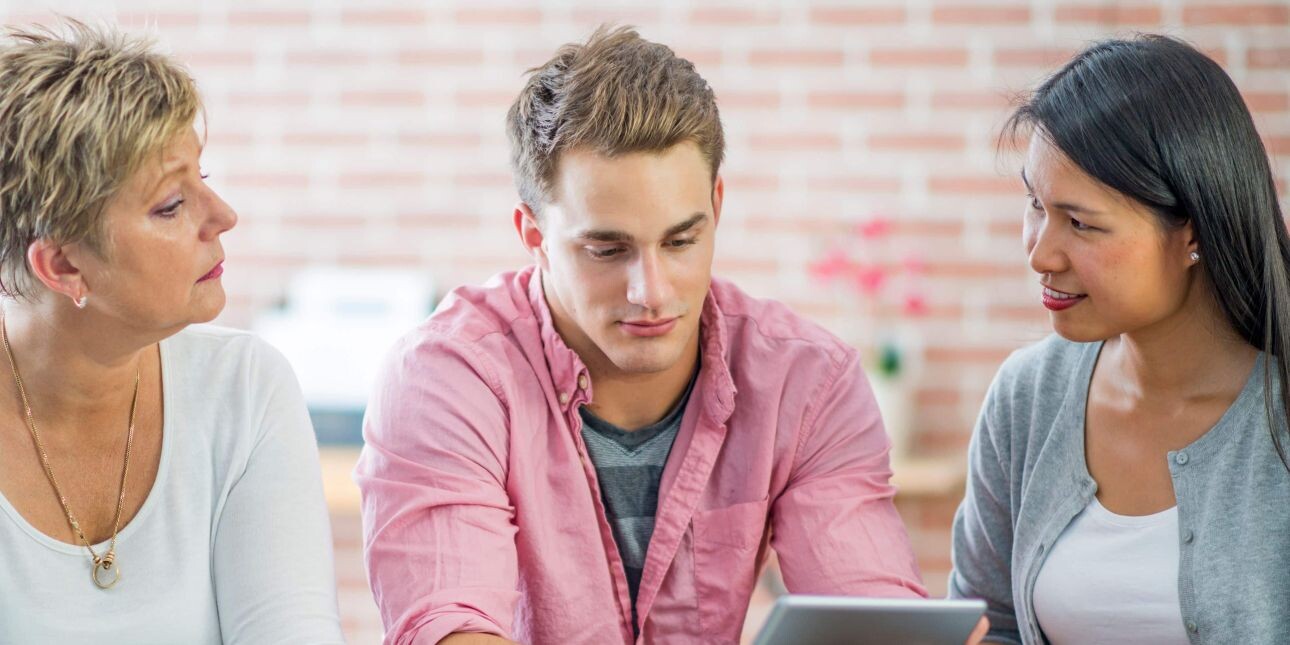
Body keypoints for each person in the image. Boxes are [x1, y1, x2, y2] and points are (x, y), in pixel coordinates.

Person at [357, 26, 985, 645]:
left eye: (681, 241)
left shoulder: (806, 381)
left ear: (716, 204)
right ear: (534, 238)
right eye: (607, 249)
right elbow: (450, 627)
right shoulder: (447, 376)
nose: (651, 292)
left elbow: (868, 616)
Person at [0, 21, 344, 643]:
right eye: (170, 205)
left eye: (202, 181)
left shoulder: (244, 387)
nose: (224, 217)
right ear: (64, 266)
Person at [949, 35, 1290, 644]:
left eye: (1081, 223)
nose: (1040, 253)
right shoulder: (1027, 398)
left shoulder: (1276, 419)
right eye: (1035, 203)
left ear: (1193, 232)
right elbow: (985, 625)